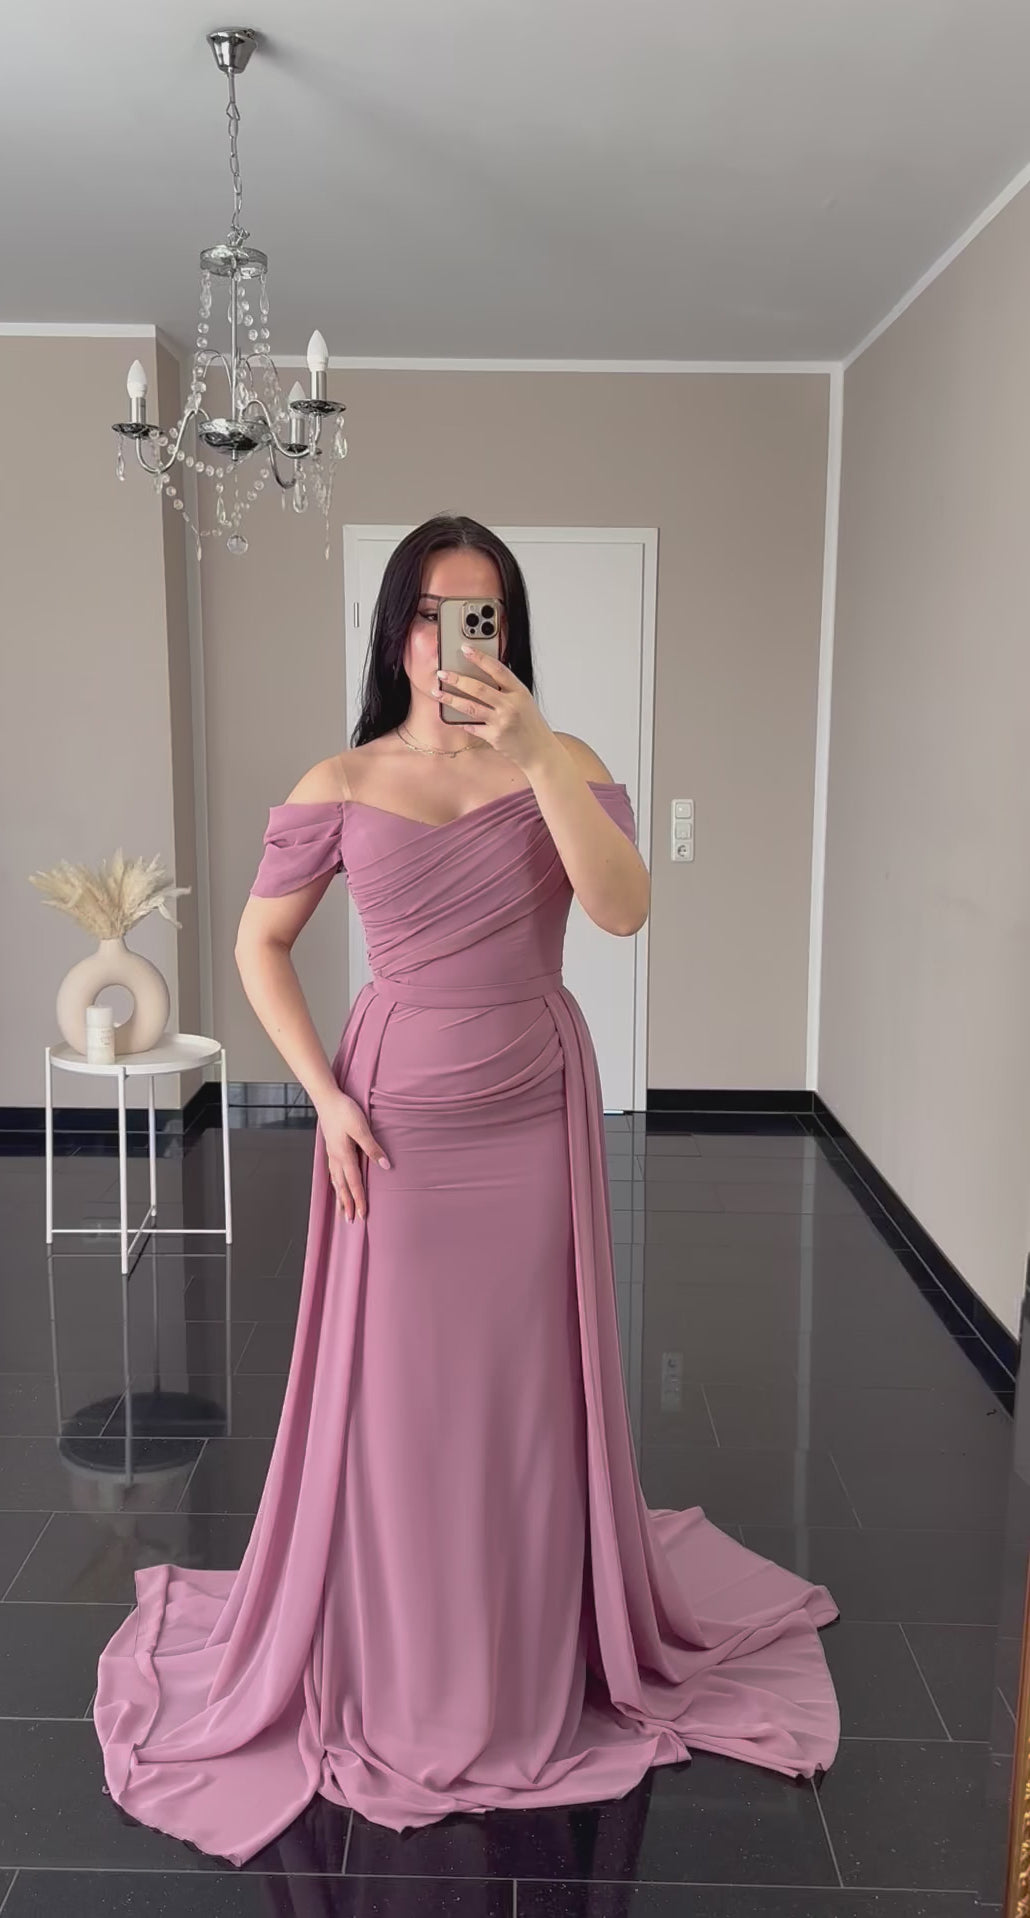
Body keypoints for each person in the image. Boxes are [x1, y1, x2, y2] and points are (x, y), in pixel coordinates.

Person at [92, 513, 840, 1867]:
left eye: (480, 612)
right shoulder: (341, 778)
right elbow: (261, 945)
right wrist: (324, 1096)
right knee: (398, 1392)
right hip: (392, 1120)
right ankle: (402, 1653)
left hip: (530, 1107)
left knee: (525, 1386)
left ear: (508, 630)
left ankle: (524, 1651)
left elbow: (621, 909)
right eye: (434, 612)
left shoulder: (566, 762)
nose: (454, 637)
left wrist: (539, 753)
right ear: (398, 633)